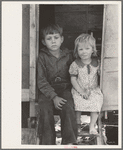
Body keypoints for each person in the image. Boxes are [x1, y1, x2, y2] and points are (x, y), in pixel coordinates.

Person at [37, 24, 77, 145]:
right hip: (47, 90)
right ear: (44, 42)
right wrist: (54, 97)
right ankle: (47, 143)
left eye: (56, 37)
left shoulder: (69, 55)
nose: (53, 41)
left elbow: (77, 69)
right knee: (44, 108)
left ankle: (70, 142)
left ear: (62, 39)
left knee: (68, 105)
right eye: (49, 38)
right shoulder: (42, 56)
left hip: (65, 88)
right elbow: (41, 80)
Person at [69, 33, 103, 135]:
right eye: (81, 49)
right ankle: (78, 123)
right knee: (77, 102)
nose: (84, 52)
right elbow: (73, 80)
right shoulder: (75, 64)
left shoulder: (97, 62)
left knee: (97, 101)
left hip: (93, 89)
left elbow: (101, 74)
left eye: (87, 48)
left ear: (92, 50)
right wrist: (81, 91)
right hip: (79, 89)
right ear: (77, 51)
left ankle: (92, 126)